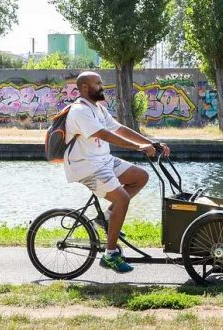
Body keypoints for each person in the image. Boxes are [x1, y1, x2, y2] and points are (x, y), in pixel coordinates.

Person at [64, 71, 170, 274]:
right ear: (85, 88)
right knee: (122, 199)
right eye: (98, 83)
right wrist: (138, 148)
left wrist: (149, 143)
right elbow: (105, 134)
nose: (102, 86)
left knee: (141, 177)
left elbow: (119, 129)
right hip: (87, 166)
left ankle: (107, 216)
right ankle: (110, 255)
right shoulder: (79, 111)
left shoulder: (97, 108)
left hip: (104, 161)